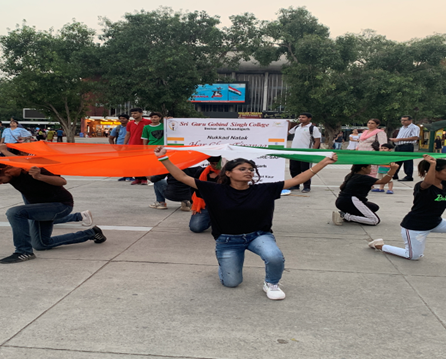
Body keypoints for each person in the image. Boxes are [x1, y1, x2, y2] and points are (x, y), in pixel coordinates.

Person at [153, 145, 339, 300]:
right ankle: (225, 268)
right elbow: (182, 177)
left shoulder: (265, 189)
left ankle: (271, 284)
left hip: (258, 235)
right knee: (231, 283)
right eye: (242, 169)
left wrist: (324, 162)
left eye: (251, 169)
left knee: (274, 256)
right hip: (227, 241)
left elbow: (298, 179)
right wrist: (164, 158)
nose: (248, 172)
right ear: (228, 173)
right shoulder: (214, 190)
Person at [0, 158, 106, 264]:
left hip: (60, 205)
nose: (0, 183)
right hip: (39, 208)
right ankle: (92, 233)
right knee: (42, 244)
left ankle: (23, 251)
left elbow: (62, 181)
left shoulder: (31, 170)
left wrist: (39, 176)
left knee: (14, 212)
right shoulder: (6, 172)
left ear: (4, 171)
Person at [369, 155, 446, 268]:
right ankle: (379, 245)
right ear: (436, 171)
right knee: (413, 256)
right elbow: (427, 182)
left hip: (436, 223)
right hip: (416, 226)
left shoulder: (445, 184)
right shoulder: (422, 186)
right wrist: (432, 164)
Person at [333, 161, 399, 226]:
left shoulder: (352, 175)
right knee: (374, 220)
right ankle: (345, 216)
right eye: (369, 167)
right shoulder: (361, 177)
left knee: (374, 207)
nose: (371, 169)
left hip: (342, 201)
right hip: (350, 201)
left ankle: (346, 212)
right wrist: (392, 170)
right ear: (363, 168)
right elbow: (383, 181)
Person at [287, 113, 322, 193]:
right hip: (294, 152)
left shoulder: (313, 128)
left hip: (306, 152)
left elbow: (317, 140)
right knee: (294, 169)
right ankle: (295, 184)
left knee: (306, 170)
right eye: (300, 117)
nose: (301, 118)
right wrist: (288, 124)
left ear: (309, 118)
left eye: (303, 117)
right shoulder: (297, 127)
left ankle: (306, 186)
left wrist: (313, 151)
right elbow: (288, 132)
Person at [124, 107, 151, 185]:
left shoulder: (148, 122)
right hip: (132, 146)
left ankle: (144, 178)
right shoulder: (130, 123)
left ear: (141, 113)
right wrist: (124, 145)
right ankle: (137, 178)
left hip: (144, 146)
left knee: (144, 163)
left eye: (135, 113)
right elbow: (128, 134)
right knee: (134, 163)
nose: (133, 115)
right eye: (132, 113)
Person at [390, 115, 420, 182]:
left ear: (410, 120)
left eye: (405, 120)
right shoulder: (402, 128)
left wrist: (399, 139)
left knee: (407, 161)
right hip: (399, 145)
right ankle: (394, 174)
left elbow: (415, 137)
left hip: (407, 145)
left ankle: (409, 176)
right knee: (397, 161)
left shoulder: (414, 127)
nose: (403, 122)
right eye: (402, 120)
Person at [108, 115, 132, 182]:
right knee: (123, 162)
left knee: (130, 162)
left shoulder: (131, 127)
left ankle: (130, 176)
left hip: (130, 146)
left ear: (128, 119)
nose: (122, 120)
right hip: (120, 147)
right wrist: (113, 146)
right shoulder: (117, 128)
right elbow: (111, 138)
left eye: (124, 118)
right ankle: (125, 176)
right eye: (120, 118)